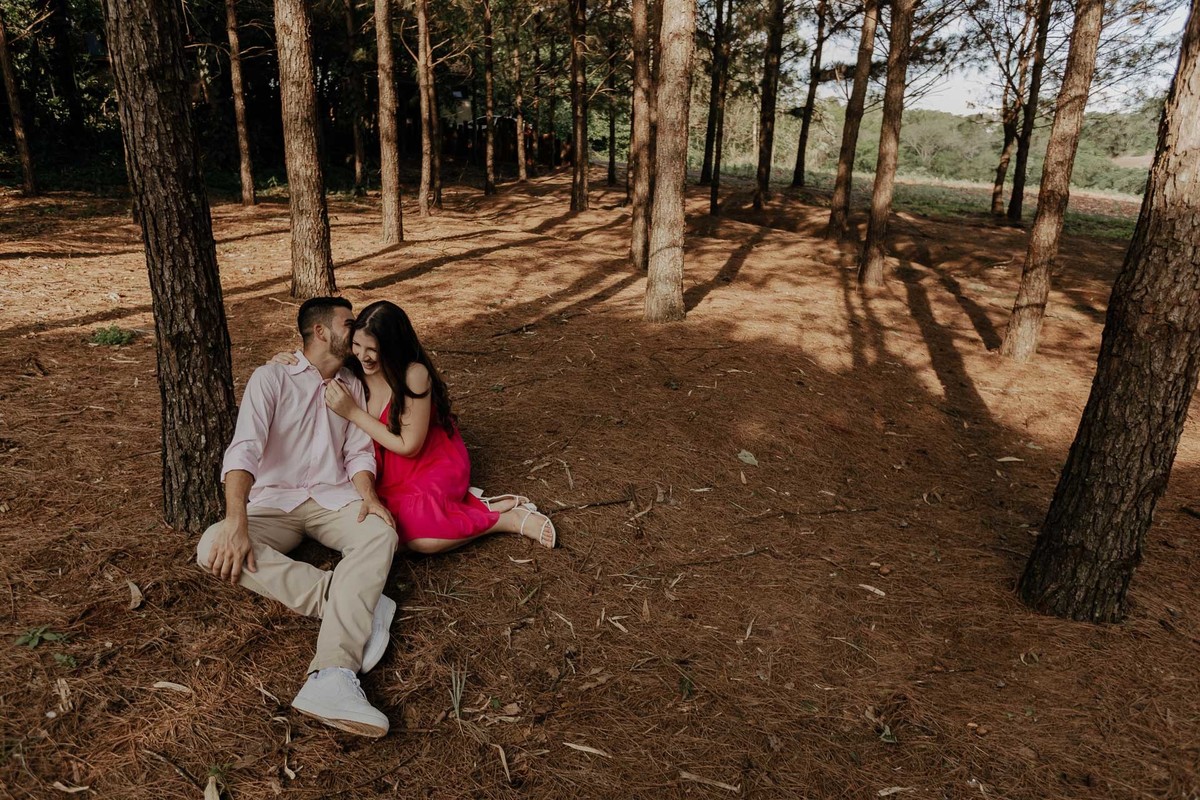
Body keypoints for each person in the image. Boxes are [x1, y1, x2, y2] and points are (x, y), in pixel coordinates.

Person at [196, 297, 399, 739]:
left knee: (381, 531)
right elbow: (244, 448)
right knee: (211, 545)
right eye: (350, 323)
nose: (359, 327)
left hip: (332, 498)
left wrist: (368, 497)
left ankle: (331, 675)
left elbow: (358, 451)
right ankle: (350, 601)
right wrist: (236, 522)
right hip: (275, 502)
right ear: (322, 332)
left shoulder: (352, 383)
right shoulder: (272, 377)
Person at [272, 300, 556, 552]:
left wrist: (354, 413)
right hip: (383, 468)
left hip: (428, 460)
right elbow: (315, 362)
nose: (363, 355)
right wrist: (286, 361)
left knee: (421, 540)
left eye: (374, 350)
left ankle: (505, 520)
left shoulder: (413, 374)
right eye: (357, 345)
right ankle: (478, 505)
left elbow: (409, 446)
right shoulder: (354, 366)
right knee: (387, 530)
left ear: (393, 348)